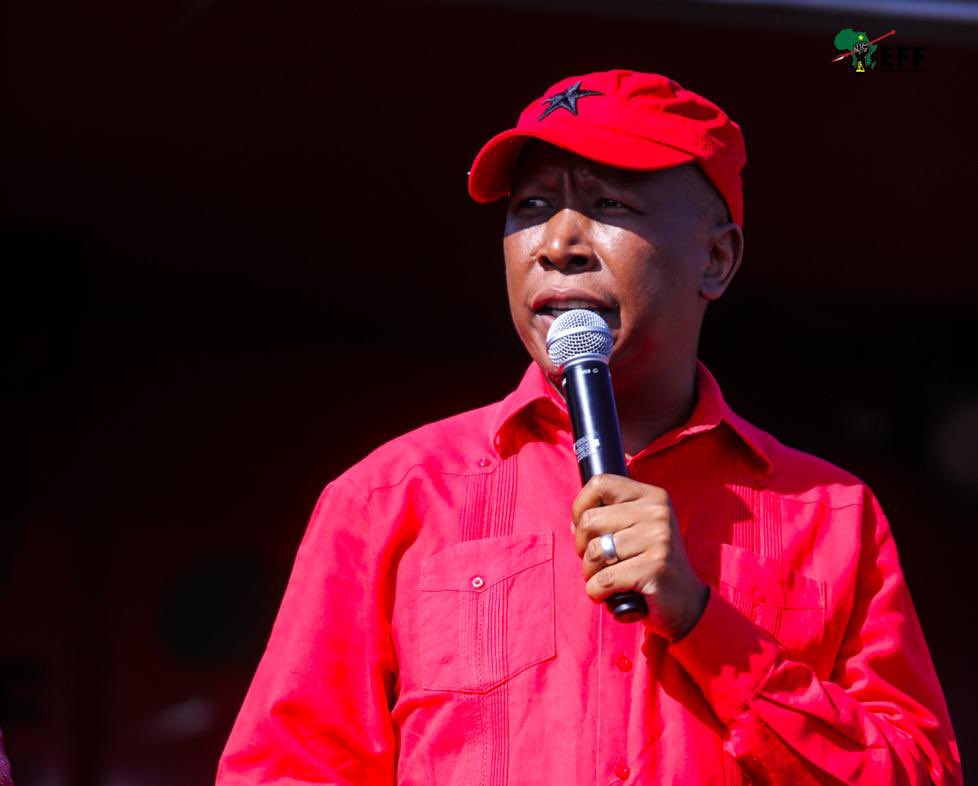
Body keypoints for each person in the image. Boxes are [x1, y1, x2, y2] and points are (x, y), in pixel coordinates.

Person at [216, 70, 961, 785]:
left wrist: (707, 624)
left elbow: (916, 773)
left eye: (610, 205)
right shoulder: (390, 496)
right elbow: (290, 768)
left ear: (717, 258)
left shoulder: (829, 513)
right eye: (532, 208)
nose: (557, 243)